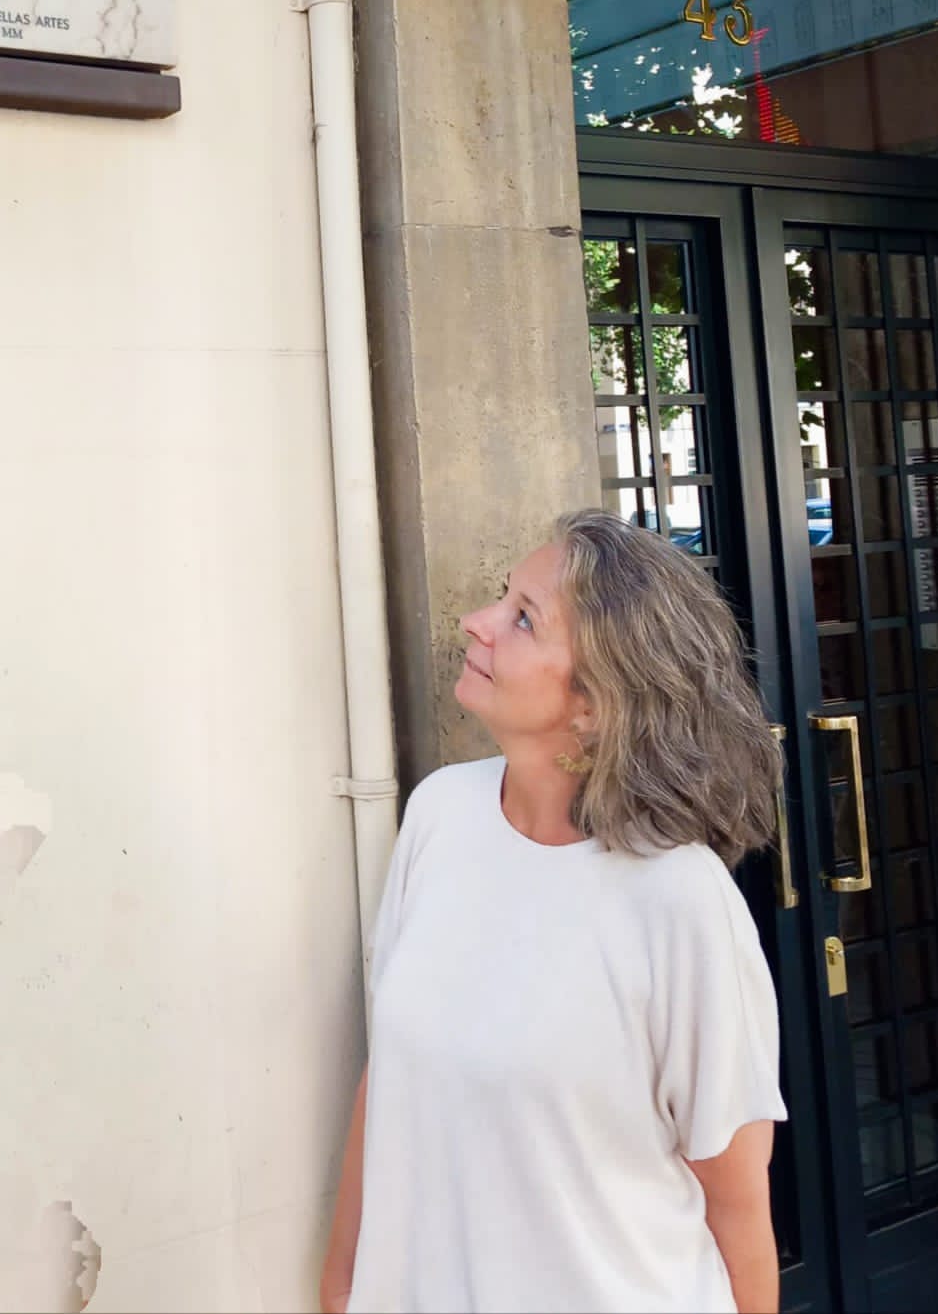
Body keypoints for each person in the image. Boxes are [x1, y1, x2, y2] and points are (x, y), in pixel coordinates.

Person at [320, 508, 788, 1314]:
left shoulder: (678, 898)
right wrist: (341, 1284)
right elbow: (388, 1073)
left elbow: (738, 1202)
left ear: (596, 703)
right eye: (505, 597)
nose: (477, 622)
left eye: (523, 618)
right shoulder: (441, 813)